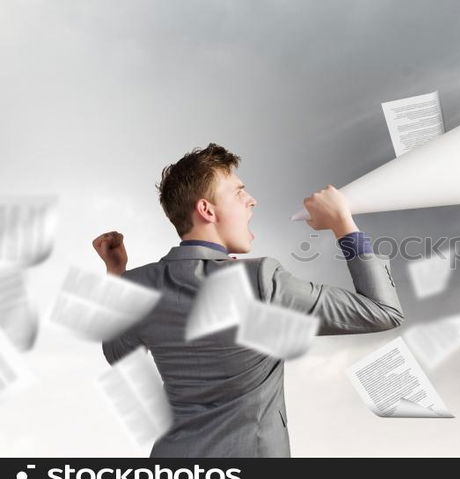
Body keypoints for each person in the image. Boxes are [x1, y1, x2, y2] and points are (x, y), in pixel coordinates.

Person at [92, 143, 404, 457]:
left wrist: (116, 275)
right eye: (239, 192)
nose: (251, 200)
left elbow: (119, 354)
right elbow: (383, 311)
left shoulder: (140, 286)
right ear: (207, 210)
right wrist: (343, 224)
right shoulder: (261, 281)